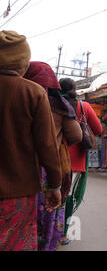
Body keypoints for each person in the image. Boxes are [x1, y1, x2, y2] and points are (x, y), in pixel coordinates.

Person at [0, 30, 62, 251]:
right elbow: (47, 146)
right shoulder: (33, 93)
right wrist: (54, 185)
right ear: (23, 63)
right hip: (19, 193)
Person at [24, 62, 82, 251]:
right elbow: (76, 136)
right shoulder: (61, 104)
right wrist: (57, 138)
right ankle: (45, 244)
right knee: (49, 209)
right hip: (49, 166)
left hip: (21, 165)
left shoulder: (20, 95)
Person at [59, 78, 102, 243]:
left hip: (54, 157)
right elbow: (98, 129)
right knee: (68, 196)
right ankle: (63, 233)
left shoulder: (52, 104)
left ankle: (47, 230)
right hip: (76, 159)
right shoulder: (84, 107)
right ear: (74, 89)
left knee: (52, 192)